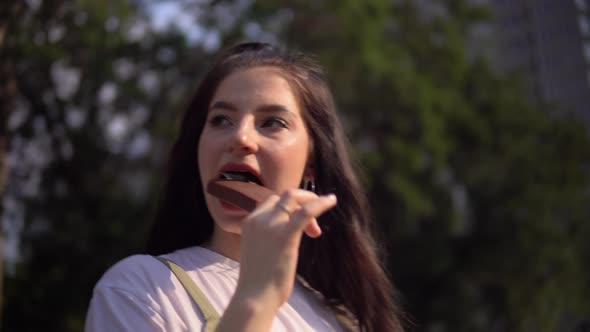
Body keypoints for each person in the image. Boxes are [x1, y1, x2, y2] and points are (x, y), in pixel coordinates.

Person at [84, 42, 405, 332]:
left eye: (272, 122)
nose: (241, 137)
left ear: (311, 163)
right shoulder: (138, 289)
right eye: (221, 120)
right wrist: (257, 300)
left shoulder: (341, 319)